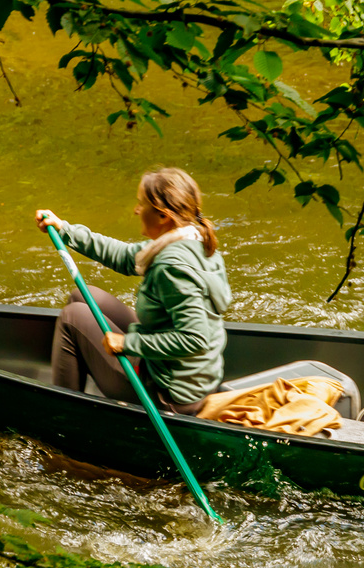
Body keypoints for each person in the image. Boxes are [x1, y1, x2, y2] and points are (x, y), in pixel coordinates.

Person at [35, 168, 231, 415]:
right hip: (183, 372)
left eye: (141, 204)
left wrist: (128, 343)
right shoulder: (191, 241)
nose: (136, 210)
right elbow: (124, 256)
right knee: (82, 296)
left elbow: (195, 339)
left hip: (169, 392)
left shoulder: (172, 266)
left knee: (71, 317)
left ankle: (62, 416)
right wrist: (65, 230)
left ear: (162, 216)